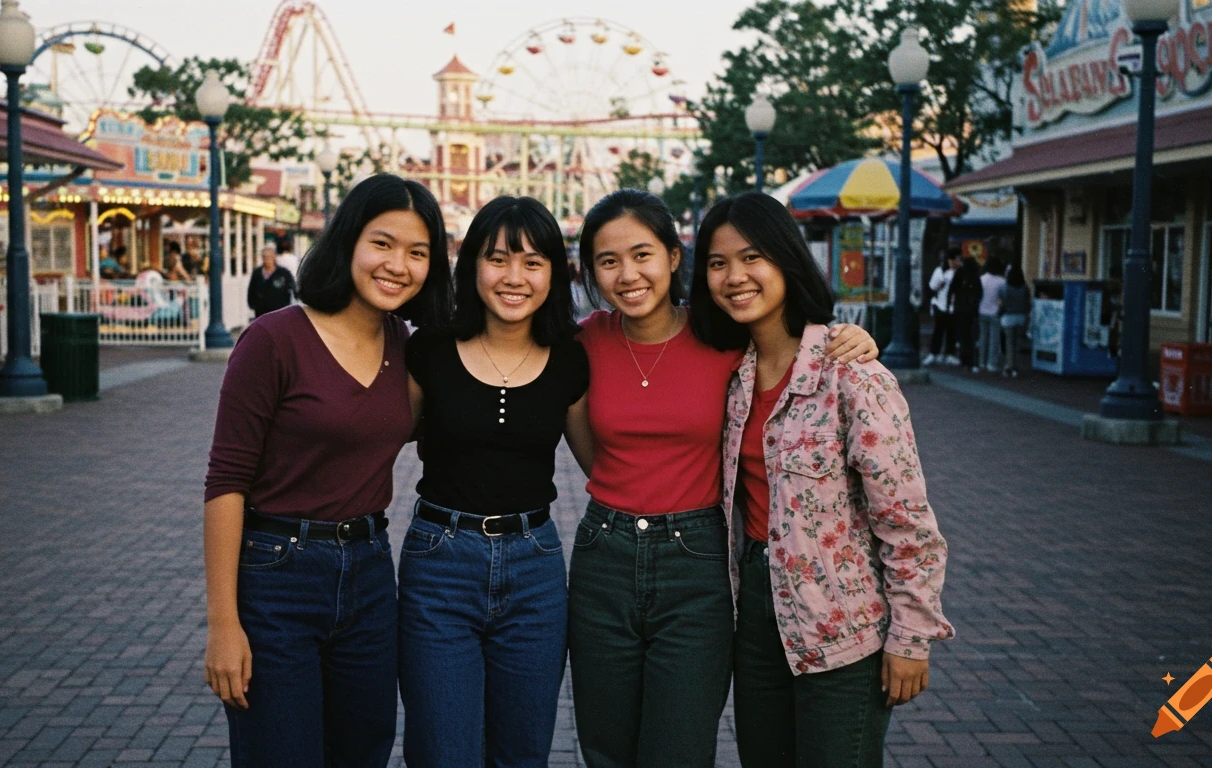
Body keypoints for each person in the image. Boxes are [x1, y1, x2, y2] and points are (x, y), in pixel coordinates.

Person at [567, 189, 879, 768]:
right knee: (605, 749)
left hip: (697, 561)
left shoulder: (726, 342)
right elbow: (588, 448)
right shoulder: (583, 342)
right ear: (590, 271)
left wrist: (852, 339)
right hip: (602, 554)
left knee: (680, 749)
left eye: (642, 254)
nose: (628, 274)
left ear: (673, 256)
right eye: (607, 261)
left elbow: (791, 342)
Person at [689, 192, 954, 767]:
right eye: (716, 262)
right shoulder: (730, 374)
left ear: (786, 259)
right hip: (755, 611)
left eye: (751, 256)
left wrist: (912, 638)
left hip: (843, 623)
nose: (734, 276)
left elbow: (907, 520)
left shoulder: (852, 375)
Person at [202, 174, 453, 768]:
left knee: (362, 753)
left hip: (369, 574)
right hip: (277, 575)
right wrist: (223, 625)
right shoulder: (273, 340)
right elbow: (226, 482)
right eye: (383, 244)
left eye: (418, 253)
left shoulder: (409, 350)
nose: (399, 265)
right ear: (348, 243)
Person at [399, 196, 592, 767]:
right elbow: (373, 438)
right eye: (498, 259)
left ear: (554, 272)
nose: (514, 278)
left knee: (522, 752)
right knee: (443, 752)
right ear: (471, 266)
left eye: (533, 262)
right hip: (439, 564)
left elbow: (605, 469)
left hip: (535, 568)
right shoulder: (429, 348)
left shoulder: (570, 358)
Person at [924, 250, 960, 365]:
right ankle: (934, 353)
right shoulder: (940, 271)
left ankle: (950, 353)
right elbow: (932, 286)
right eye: (956, 259)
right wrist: (939, 285)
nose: (958, 262)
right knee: (938, 330)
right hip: (940, 304)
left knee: (951, 330)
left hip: (953, 306)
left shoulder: (958, 272)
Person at [950, 256, 983, 369]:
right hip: (971, 310)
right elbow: (979, 292)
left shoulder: (960, 274)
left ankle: (964, 359)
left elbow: (952, 288)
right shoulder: (975, 277)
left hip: (960, 308)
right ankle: (971, 360)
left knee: (962, 335)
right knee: (970, 336)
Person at [247, 244, 296, 319]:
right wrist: (252, 304)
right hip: (261, 312)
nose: (266, 259)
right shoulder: (257, 273)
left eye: (269, 257)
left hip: (279, 312)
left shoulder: (283, 273)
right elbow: (251, 289)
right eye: (264, 257)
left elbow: (292, 287)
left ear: (274, 257)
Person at [998, 265, 1031, 377]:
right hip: (1021, 317)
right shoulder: (1025, 287)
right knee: (1017, 343)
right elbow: (1027, 304)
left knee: (1009, 343)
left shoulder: (1004, 287)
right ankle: (1016, 366)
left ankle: (1009, 366)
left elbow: (1000, 303)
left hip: (1008, 317)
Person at [977, 257, 1006, 374]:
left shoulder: (982, 279)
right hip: (995, 312)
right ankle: (991, 363)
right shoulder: (1001, 281)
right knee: (994, 339)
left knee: (983, 338)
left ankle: (981, 362)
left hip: (982, 310)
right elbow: (1003, 298)